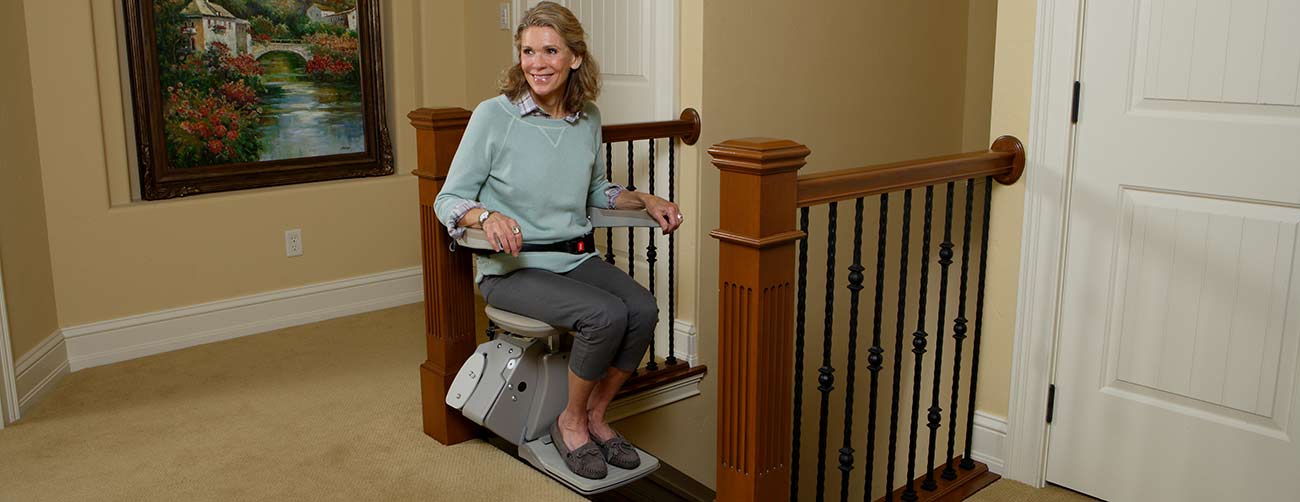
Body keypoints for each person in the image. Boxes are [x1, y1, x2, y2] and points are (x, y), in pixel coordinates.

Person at [432, 2, 683, 480]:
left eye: (550, 50)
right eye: (528, 51)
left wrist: (643, 198)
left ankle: (594, 415)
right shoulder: (494, 116)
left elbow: (593, 189)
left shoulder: (587, 117)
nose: (537, 63)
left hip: (574, 259)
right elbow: (450, 199)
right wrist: (486, 215)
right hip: (511, 271)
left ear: (574, 58)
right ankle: (570, 425)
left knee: (643, 309)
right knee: (603, 315)